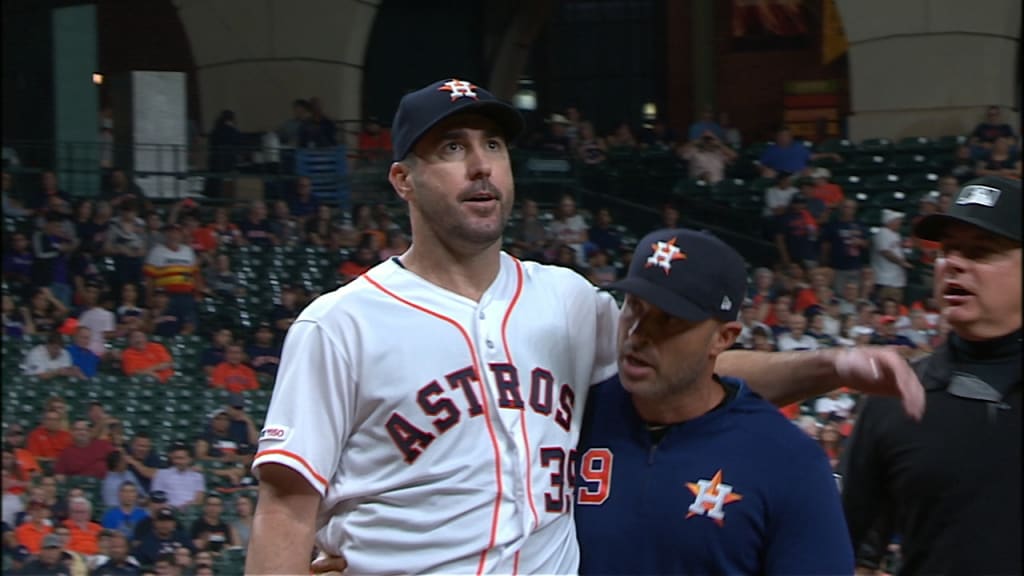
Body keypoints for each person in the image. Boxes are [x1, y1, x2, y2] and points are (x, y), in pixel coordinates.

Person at [247, 78, 922, 576]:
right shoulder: (339, 326)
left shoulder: (564, 299)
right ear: (402, 179)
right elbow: (283, 512)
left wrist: (829, 365)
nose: (482, 165)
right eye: (451, 148)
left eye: (493, 145)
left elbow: (682, 371)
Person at [575, 228, 853, 574]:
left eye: (668, 320)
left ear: (722, 338)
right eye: (634, 307)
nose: (638, 334)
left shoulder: (789, 461)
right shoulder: (571, 413)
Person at [842, 175, 1022, 575]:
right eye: (948, 251)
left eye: (981, 252)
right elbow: (850, 553)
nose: (954, 263)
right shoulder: (897, 396)